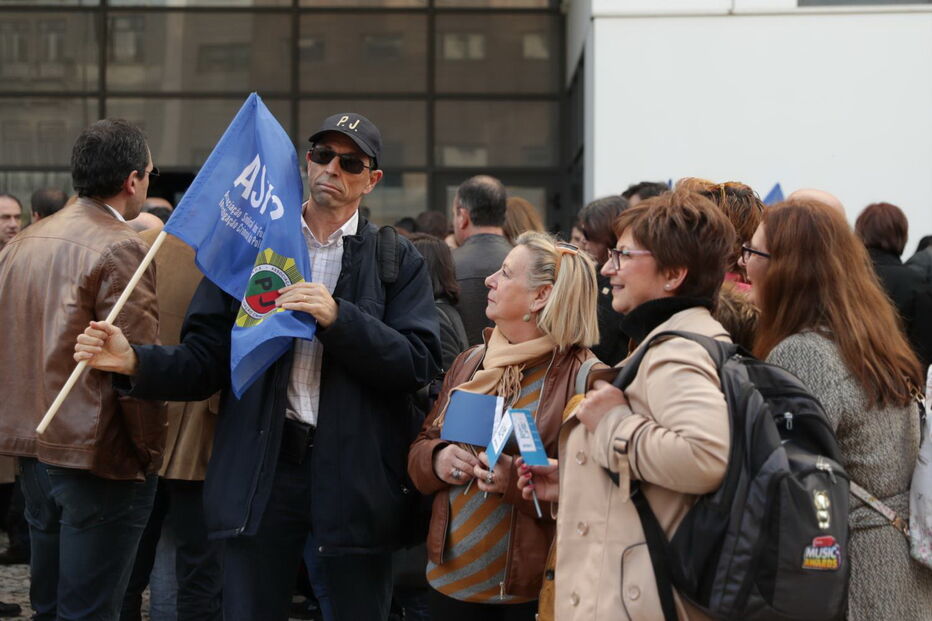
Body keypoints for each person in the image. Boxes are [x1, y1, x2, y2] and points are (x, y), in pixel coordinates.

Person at [74, 112, 442, 621]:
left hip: (354, 479)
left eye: (350, 162)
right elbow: (206, 360)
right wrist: (135, 360)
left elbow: (418, 364)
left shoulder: (394, 258)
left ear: (372, 179)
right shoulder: (254, 246)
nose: (332, 169)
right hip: (265, 471)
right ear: (306, 161)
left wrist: (339, 319)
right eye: (322, 155)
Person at [519, 189, 735, 619]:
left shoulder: (678, 352)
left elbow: (705, 457)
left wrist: (612, 421)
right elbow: (663, 485)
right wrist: (576, 479)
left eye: (623, 255)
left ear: (673, 274)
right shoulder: (675, 340)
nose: (607, 267)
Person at [0, 119, 163, 620]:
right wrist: (148, 454)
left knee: (50, 605)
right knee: (88, 610)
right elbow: (132, 364)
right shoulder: (122, 246)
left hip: (34, 449)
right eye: (150, 173)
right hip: (98, 456)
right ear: (133, 180)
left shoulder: (21, 243)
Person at [743, 199, 932, 620]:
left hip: (853, 574)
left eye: (752, 252)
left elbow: (782, 482)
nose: (743, 263)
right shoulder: (870, 342)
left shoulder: (803, 354)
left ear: (787, 269)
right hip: (901, 569)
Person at [408, 231, 601, 620]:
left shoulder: (584, 378)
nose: (488, 280)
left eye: (506, 273)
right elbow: (421, 446)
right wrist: (438, 458)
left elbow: (595, 497)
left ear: (540, 296)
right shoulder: (472, 361)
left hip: (522, 595)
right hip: (447, 581)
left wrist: (514, 479)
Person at [119, 228, 223, 621]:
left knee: (130, 560)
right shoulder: (239, 250)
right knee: (199, 569)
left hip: (143, 412)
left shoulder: (144, 244)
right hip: (202, 427)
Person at [855, 202, 932, 369]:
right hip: (900, 377)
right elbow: (924, 348)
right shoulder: (916, 283)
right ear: (902, 236)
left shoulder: (844, 278)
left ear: (860, 234)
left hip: (849, 374)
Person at [451, 175, 513, 345]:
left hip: (459, 361)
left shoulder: (445, 266)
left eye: (454, 214)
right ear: (504, 215)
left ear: (463, 216)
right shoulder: (528, 265)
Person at [577, 195, 629, 365]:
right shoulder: (593, 274)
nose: (583, 240)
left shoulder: (625, 282)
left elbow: (599, 344)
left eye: (588, 234)